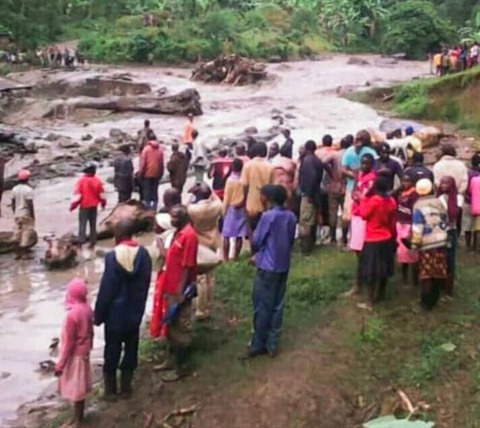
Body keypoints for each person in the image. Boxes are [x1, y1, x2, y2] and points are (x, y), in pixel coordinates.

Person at [94, 220, 152, 399]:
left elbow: (107, 289)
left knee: (112, 350)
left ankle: (110, 390)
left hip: (114, 315)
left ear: (117, 236)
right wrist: (140, 308)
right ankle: (126, 387)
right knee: (131, 349)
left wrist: (98, 315)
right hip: (134, 312)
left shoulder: (112, 257)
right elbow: (145, 285)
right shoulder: (144, 255)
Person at [239, 185, 296, 360]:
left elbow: (256, 242)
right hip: (283, 265)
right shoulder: (291, 216)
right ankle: (272, 343)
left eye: (262, 195)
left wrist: (250, 226)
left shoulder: (268, 217)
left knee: (262, 305)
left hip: (267, 266)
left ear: (268, 198)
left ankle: (257, 344)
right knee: (277, 304)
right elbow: (289, 241)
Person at [150, 206, 198, 381]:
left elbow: (187, 265)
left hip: (179, 290)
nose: (171, 220)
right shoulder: (178, 233)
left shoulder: (189, 236)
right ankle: (170, 360)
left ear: (184, 217)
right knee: (170, 326)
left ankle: (182, 368)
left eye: (175, 217)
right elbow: (173, 258)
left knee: (180, 329)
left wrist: (180, 292)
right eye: (171, 216)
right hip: (170, 287)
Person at [55, 278, 93, 428]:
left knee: (76, 388)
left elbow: (68, 344)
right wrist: (89, 347)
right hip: (84, 354)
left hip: (74, 356)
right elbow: (91, 332)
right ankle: (78, 416)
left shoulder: (71, 316)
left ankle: (78, 421)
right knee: (80, 387)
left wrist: (60, 365)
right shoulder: (87, 309)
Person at [359, 176, 397, 309]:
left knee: (371, 271)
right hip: (386, 237)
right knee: (383, 269)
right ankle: (381, 294)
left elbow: (364, 214)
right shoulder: (391, 201)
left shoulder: (375, 200)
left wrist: (363, 198)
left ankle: (370, 301)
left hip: (373, 239)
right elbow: (392, 220)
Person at [411, 179, 448, 310]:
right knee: (438, 271)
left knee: (426, 273)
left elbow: (418, 227)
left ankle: (425, 302)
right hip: (441, 241)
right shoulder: (439, 202)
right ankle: (434, 298)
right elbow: (445, 220)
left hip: (427, 244)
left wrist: (414, 244)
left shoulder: (418, 205)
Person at [187, 184, 222, 320]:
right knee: (210, 275)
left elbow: (184, 207)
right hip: (213, 239)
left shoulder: (194, 209)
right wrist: (210, 191)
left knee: (200, 277)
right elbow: (217, 199)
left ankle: (201, 309)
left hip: (199, 241)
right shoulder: (216, 206)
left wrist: (191, 193)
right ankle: (208, 304)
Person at [346, 154, 377, 296]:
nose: (364, 166)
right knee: (358, 250)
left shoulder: (372, 179)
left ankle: (360, 283)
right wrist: (356, 179)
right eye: (362, 163)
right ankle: (361, 281)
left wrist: (357, 195)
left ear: (371, 164)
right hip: (357, 213)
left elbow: (361, 196)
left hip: (363, 215)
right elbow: (354, 194)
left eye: (367, 164)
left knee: (362, 251)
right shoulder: (360, 176)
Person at [341, 130, 377, 239]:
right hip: (351, 187)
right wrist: (355, 175)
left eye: (361, 139)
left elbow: (375, 168)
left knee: (364, 214)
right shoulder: (349, 152)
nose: (359, 142)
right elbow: (343, 169)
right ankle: (344, 238)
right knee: (347, 215)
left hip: (366, 189)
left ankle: (360, 237)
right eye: (357, 139)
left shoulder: (370, 152)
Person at [437, 176, 463, 300]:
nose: (443, 185)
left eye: (446, 183)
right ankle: (440, 285)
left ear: (452, 185)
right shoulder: (438, 198)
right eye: (442, 183)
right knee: (439, 258)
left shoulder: (458, 198)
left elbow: (457, 217)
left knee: (449, 260)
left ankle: (448, 292)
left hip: (450, 232)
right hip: (438, 232)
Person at [240, 142, 275, 231]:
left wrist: (244, 201)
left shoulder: (248, 165)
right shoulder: (270, 166)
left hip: (251, 204)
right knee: (265, 231)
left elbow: (244, 185)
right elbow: (273, 186)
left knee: (252, 230)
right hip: (266, 205)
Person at [70, 163, 106, 249]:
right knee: (93, 224)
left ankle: (81, 242)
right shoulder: (97, 181)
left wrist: (73, 206)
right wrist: (103, 203)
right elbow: (101, 195)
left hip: (84, 206)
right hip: (94, 206)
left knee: (82, 224)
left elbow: (78, 196)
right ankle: (93, 242)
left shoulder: (81, 181)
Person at [298, 140, 324, 253]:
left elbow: (311, 177)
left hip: (308, 194)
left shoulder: (308, 161)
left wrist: (309, 193)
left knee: (306, 220)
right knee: (311, 218)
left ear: (307, 148)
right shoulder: (317, 160)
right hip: (315, 193)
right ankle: (310, 244)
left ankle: (305, 249)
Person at [322, 137, 349, 245]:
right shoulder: (349, 155)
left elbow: (323, 162)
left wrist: (330, 172)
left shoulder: (334, 154)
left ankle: (332, 238)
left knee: (332, 212)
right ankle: (344, 238)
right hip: (345, 186)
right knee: (345, 213)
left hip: (333, 185)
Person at [394, 174, 419, 285]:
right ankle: (404, 277)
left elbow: (415, 211)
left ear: (412, 183)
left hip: (409, 225)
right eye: (403, 181)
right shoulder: (400, 193)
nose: (405, 183)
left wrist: (413, 228)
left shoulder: (414, 194)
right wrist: (397, 189)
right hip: (400, 224)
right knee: (402, 252)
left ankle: (415, 279)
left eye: (407, 181)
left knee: (412, 252)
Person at [222, 158, 248, 261]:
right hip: (242, 209)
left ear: (232, 167)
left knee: (226, 235)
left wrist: (223, 211)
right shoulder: (244, 181)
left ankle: (225, 258)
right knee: (239, 235)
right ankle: (236, 257)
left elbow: (226, 197)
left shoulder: (230, 180)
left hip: (231, 209)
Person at [11, 169, 35, 259]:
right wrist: (32, 215)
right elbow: (30, 204)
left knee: (17, 233)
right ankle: (24, 254)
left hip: (17, 213)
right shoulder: (29, 190)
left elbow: (13, 203)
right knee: (26, 234)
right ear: (27, 179)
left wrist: (15, 212)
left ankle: (17, 254)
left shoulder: (14, 189)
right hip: (25, 214)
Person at [139, 136, 164, 210]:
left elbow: (143, 163)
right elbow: (161, 163)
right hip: (156, 173)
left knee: (147, 190)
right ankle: (154, 206)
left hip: (147, 173)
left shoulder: (146, 149)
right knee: (154, 190)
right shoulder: (160, 150)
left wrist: (140, 173)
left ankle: (147, 206)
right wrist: (161, 173)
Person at [271, 145, 297, 210]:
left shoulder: (274, 161)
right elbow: (295, 175)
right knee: (287, 206)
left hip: (276, 185)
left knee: (276, 204)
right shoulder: (292, 163)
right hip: (287, 187)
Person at [463, 152, 480, 249]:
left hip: (468, 201)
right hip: (479, 202)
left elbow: (466, 188)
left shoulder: (467, 173)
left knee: (467, 225)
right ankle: (476, 245)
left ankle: (468, 245)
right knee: (477, 226)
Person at [469, 172, 480, 252]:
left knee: (477, 229)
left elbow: (470, 190)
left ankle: (476, 247)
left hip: (476, 207)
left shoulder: (474, 180)